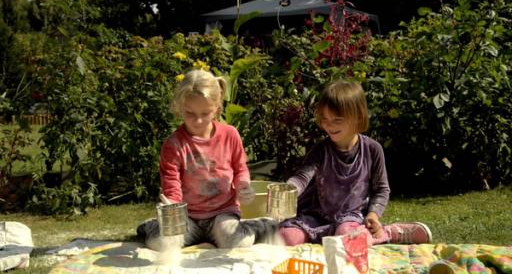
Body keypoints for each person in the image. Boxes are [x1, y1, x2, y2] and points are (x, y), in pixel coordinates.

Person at [137, 69, 277, 251]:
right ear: (180, 107)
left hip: (223, 214)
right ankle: (151, 226)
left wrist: (243, 186)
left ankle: (259, 226)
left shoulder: (230, 134)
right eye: (190, 113)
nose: (198, 121)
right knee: (161, 245)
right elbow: (171, 184)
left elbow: (240, 168)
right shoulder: (174, 144)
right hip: (187, 217)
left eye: (205, 113)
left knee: (238, 243)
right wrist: (172, 205)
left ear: (217, 108)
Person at [279, 80, 432, 246]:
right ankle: (358, 236)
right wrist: (287, 190)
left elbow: (381, 189)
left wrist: (373, 214)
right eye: (324, 119)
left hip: (351, 217)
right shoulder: (321, 150)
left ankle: (388, 232)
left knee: (347, 236)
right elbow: (302, 177)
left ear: (358, 117)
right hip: (317, 216)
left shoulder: (372, 149)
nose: (329, 125)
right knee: (287, 237)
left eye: (337, 120)